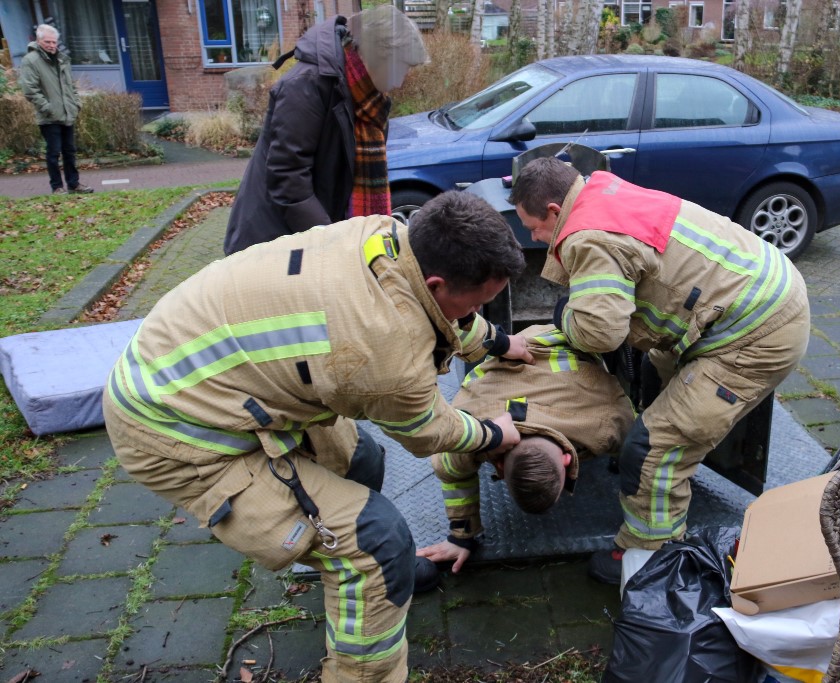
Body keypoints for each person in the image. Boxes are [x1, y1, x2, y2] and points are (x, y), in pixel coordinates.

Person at [103, 191, 534, 683]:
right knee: (378, 539)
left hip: (202, 372)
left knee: (362, 458)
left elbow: (445, 315)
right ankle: (364, 639)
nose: (481, 309)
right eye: (479, 302)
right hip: (176, 431)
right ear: (437, 282)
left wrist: (501, 342)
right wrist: (491, 433)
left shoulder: (389, 238)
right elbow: (426, 430)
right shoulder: (384, 347)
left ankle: (359, 582)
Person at [508, 158, 811, 585]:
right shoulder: (602, 191)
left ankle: (649, 557)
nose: (535, 238)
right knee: (655, 380)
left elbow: (600, 333)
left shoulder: (588, 236)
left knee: (652, 449)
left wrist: (564, 317)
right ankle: (666, 474)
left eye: (534, 228)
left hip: (754, 334)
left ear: (555, 210)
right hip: (751, 295)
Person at [417, 324, 636, 573]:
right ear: (566, 458)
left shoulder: (605, 425)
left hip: (559, 340)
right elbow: (638, 445)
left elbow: (451, 471)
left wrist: (461, 537)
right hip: (516, 347)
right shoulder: (607, 425)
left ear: (499, 465)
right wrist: (460, 537)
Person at [223, 5, 427, 255]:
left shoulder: (367, 98)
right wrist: (334, 243)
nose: (399, 81)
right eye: (400, 68)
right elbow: (288, 176)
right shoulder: (306, 85)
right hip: (273, 241)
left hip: (313, 236)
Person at [17, 24, 94, 196]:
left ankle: (74, 185)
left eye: (54, 42)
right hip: (49, 117)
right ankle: (57, 187)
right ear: (38, 41)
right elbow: (30, 90)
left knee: (70, 151)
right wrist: (47, 108)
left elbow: (70, 86)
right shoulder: (31, 60)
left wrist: (76, 103)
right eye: (47, 42)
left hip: (67, 113)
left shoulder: (62, 59)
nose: (52, 45)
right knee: (53, 153)